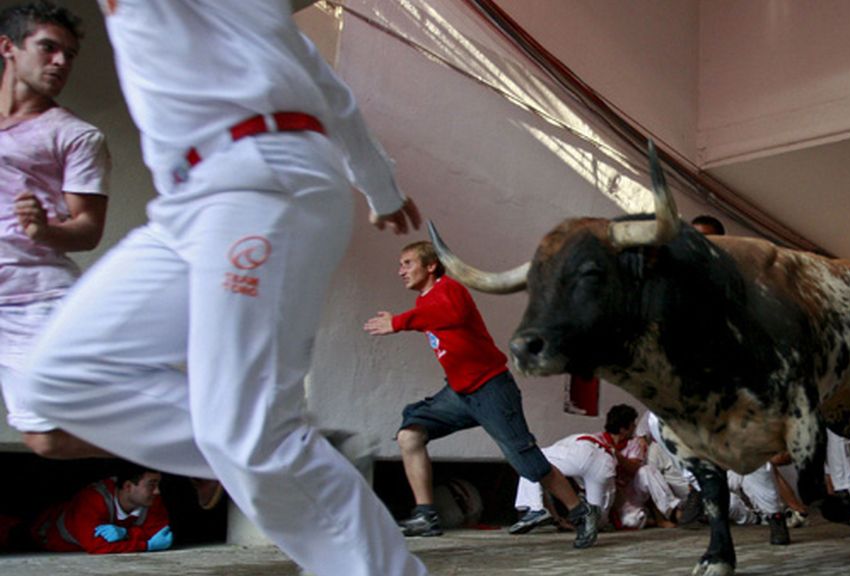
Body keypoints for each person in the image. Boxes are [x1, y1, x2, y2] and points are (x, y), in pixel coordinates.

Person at [21, 2, 427, 575]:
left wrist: (377, 183)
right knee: (58, 381)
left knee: (248, 433)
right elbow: (325, 81)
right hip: (188, 204)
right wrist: (379, 186)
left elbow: (320, 84)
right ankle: (273, 447)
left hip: (259, 179)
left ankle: (270, 446)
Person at [364, 240, 601, 548]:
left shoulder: (449, 290)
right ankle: (426, 515)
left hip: (491, 388)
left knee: (526, 461)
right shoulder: (424, 303)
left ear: (431, 266)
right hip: (460, 394)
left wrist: (398, 322)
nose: (401, 271)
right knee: (410, 434)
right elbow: (434, 319)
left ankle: (581, 511)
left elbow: (449, 314)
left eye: (407, 263)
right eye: (400, 265)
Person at [0, 0, 110, 458]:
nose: (61, 61)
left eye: (68, 53)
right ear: (8, 47)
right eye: (48, 48)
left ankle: (196, 450)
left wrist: (44, 230)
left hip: (35, 302)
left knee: (45, 440)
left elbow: (87, 230)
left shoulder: (76, 136)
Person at [510, 404, 638, 534]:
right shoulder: (624, 443)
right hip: (604, 463)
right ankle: (587, 520)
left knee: (530, 460)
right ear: (623, 429)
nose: (635, 428)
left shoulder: (590, 439)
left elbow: (545, 475)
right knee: (596, 522)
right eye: (633, 425)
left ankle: (536, 507)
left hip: (583, 453)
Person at [28, 463, 172, 554]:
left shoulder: (151, 500)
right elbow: (98, 547)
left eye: (158, 484)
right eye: (151, 484)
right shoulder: (93, 499)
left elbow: (161, 533)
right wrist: (146, 545)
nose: (157, 491)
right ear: (128, 486)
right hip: (43, 535)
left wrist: (127, 534)